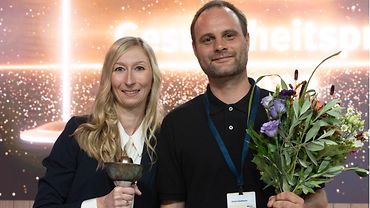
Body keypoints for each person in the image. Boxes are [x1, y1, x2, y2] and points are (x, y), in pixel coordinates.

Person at [156, 1, 328, 208]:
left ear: (247, 40)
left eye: (229, 35)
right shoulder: (176, 124)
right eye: (208, 39)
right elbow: (172, 204)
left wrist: (301, 206)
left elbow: (318, 200)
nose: (220, 46)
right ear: (195, 49)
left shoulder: (288, 114)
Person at [33, 36, 162, 208]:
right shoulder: (78, 133)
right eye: (119, 69)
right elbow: (44, 206)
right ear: (108, 78)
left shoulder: (167, 141)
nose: (129, 81)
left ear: (152, 76)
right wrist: (100, 204)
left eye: (139, 68)